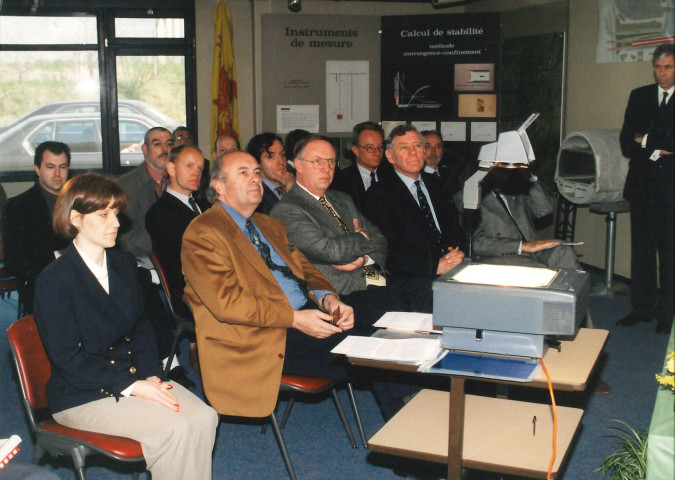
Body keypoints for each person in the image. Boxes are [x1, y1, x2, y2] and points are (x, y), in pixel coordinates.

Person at [182, 151, 408, 420]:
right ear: (219, 186)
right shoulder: (204, 232)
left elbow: (306, 269)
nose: (254, 179)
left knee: (386, 305)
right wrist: (293, 318)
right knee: (372, 351)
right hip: (264, 334)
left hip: (307, 313)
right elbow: (227, 304)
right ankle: (410, 438)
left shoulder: (268, 224)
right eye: (243, 173)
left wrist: (328, 299)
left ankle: (414, 405)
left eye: (256, 172)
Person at [33, 173, 218, 480]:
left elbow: (141, 328)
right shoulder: (54, 281)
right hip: (83, 394)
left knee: (204, 417)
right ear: (75, 218)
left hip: (132, 377)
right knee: (176, 429)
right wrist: (133, 386)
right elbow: (68, 359)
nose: (115, 223)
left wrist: (152, 376)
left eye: (116, 213)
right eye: (103, 214)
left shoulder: (122, 264)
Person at [271, 135, 390, 325]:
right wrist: (361, 236)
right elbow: (332, 251)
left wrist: (364, 259)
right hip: (339, 295)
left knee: (422, 298)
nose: (326, 168)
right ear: (298, 165)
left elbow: (380, 238)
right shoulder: (287, 209)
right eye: (317, 161)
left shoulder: (342, 199)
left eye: (331, 161)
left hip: (375, 279)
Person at [364, 125, 466, 312]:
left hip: (452, 271)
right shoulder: (379, 195)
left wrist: (456, 253)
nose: (413, 153)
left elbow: (455, 228)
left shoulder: (437, 185)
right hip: (412, 283)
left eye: (418, 146)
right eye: (404, 147)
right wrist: (434, 266)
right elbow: (385, 253)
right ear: (390, 156)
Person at [617, 43, 674, 334]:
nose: (661, 73)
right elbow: (627, 142)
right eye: (657, 67)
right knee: (642, 251)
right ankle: (640, 308)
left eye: (667, 67)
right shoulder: (639, 96)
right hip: (641, 186)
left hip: (670, 189)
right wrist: (657, 143)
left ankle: (667, 314)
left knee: (669, 252)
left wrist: (646, 139)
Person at [146, 144, 208, 374]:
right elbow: (195, 259)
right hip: (189, 292)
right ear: (171, 168)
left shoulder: (202, 204)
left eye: (200, 168)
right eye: (189, 166)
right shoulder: (160, 213)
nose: (196, 173)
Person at [1, 142, 71, 313]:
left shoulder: (80, 202)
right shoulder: (18, 207)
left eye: (62, 167)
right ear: (37, 169)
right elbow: (16, 261)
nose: (57, 173)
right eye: (50, 167)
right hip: (43, 283)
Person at [472, 166, 581, 269]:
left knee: (564, 251)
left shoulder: (516, 193)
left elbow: (545, 210)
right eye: (499, 170)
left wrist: (530, 177)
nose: (502, 174)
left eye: (505, 170)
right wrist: (522, 246)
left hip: (534, 249)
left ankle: (573, 287)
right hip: (502, 254)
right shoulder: (471, 199)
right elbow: (477, 243)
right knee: (540, 270)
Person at [117, 127, 174, 260]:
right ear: (144, 149)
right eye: (157, 144)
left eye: (169, 144)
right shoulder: (125, 186)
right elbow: (127, 239)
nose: (165, 149)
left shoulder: (180, 181)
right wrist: (169, 238)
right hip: (142, 261)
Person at [331, 121, 386, 212]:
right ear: (355, 150)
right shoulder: (340, 181)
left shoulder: (390, 177)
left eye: (380, 147)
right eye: (370, 148)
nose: (377, 152)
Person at [245, 133, 295, 214]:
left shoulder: (294, 182)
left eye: (283, 155)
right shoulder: (256, 194)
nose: (281, 161)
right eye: (271, 157)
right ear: (256, 163)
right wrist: (291, 192)